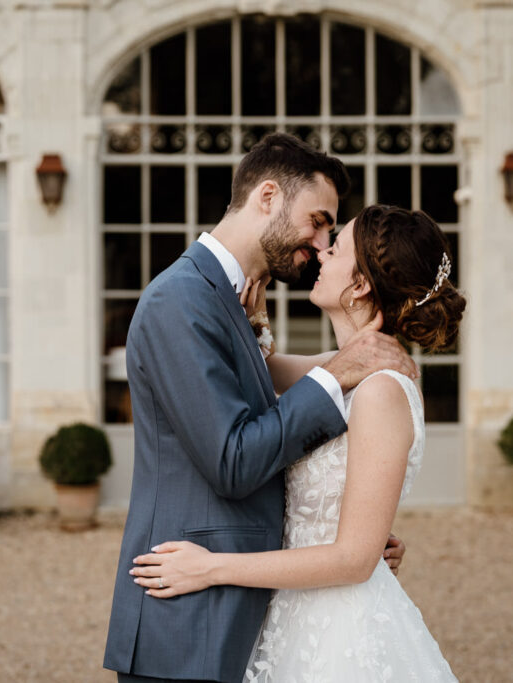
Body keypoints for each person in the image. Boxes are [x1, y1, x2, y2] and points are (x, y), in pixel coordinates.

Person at [103, 133, 417, 683]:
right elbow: (233, 460)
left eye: (331, 233)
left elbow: (270, 427)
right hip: (188, 620)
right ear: (268, 197)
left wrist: (347, 539)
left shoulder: (228, 300)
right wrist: (339, 370)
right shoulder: (181, 300)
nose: (322, 243)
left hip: (249, 616)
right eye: (318, 220)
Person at [130, 205, 466, 681]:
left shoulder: (381, 390)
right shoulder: (345, 367)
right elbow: (263, 373)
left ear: (361, 285)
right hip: (291, 614)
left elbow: (352, 559)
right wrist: (251, 322)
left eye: (337, 247)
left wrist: (210, 569)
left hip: (340, 633)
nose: (321, 251)